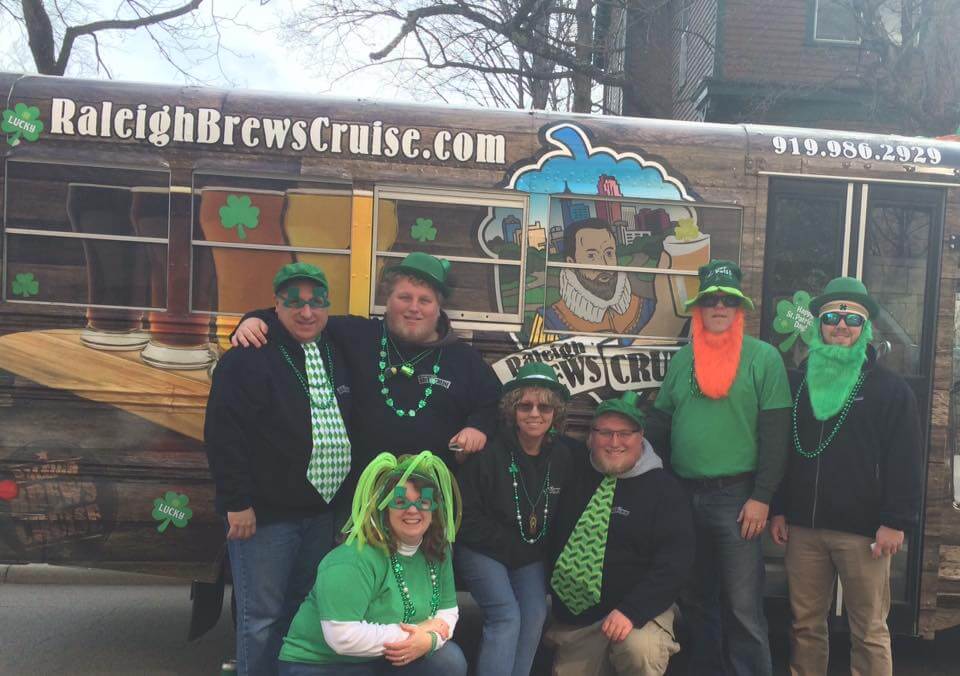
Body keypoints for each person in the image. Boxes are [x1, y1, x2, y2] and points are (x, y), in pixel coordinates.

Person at [205, 262, 353, 676]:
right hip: (265, 518)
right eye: (293, 303)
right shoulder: (247, 359)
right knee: (261, 619)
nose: (306, 312)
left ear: (328, 306)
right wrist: (237, 503)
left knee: (301, 613)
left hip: (321, 514)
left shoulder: (335, 348)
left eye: (316, 302)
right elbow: (223, 435)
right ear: (276, 305)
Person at [770, 277, 923, 676]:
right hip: (804, 528)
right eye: (833, 316)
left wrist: (895, 522)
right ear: (820, 324)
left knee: (869, 630)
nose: (841, 325)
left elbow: (905, 460)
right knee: (805, 627)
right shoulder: (798, 383)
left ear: (865, 328)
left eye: (852, 318)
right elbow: (786, 450)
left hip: (866, 533)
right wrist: (780, 509)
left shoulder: (890, 390)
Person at [646, 259, 791, 676]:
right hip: (684, 495)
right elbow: (660, 421)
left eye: (728, 300)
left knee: (743, 607)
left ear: (739, 307)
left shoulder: (764, 359)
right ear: (699, 309)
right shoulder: (684, 359)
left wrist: (762, 497)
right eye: (710, 300)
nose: (719, 307)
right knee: (695, 599)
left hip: (738, 499)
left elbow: (776, 436)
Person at [231, 251, 501, 469]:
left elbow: (491, 399)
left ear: (438, 308)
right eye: (404, 297)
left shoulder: (463, 358)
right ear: (388, 300)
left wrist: (478, 427)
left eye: (425, 300)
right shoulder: (358, 335)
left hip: (427, 505)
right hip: (358, 499)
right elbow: (305, 318)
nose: (414, 307)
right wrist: (257, 319)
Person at [278, 451, 466, 676]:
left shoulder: (438, 550)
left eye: (423, 501)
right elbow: (343, 637)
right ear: (384, 509)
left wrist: (429, 641)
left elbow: (447, 613)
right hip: (322, 664)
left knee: (448, 661)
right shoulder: (353, 559)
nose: (413, 509)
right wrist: (420, 633)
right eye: (400, 500)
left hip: (382, 660)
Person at [546, 391, 694, 676]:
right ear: (591, 436)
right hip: (580, 618)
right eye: (605, 433)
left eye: (625, 433)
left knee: (639, 651)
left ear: (641, 437)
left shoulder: (664, 489)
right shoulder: (573, 471)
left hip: (641, 613)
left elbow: (675, 564)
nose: (615, 442)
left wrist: (632, 610)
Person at [456, 362, 578, 676]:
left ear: (556, 413)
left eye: (545, 406)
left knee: (536, 613)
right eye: (525, 405)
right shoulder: (488, 452)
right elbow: (465, 519)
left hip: (528, 551)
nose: (535, 413)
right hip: (482, 548)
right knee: (506, 616)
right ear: (512, 410)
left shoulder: (564, 455)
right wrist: (517, 548)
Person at [534, 218, 654, 336]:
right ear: (571, 263)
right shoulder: (550, 320)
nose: (604, 265)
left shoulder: (645, 308)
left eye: (609, 253)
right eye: (591, 256)